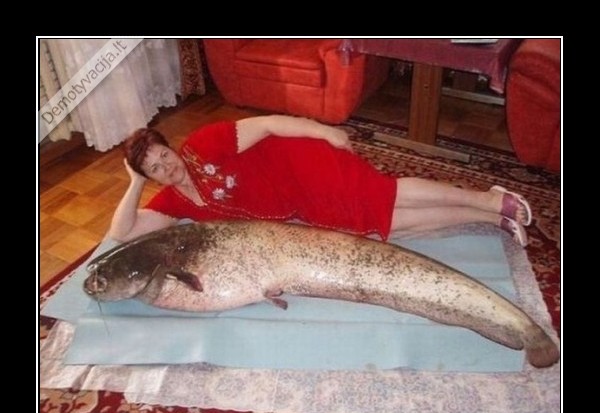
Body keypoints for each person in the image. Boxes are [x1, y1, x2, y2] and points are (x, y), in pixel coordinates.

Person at [109, 115, 532, 246]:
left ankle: (489, 200)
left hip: (301, 165)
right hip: (302, 205)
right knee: (382, 223)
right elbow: (121, 233)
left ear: (171, 146)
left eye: (163, 155)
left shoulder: (203, 144)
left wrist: (324, 132)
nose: (167, 166)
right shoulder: (176, 202)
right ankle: (492, 217)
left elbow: (269, 124)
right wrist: (133, 184)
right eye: (154, 169)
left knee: (382, 194)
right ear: (150, 178)